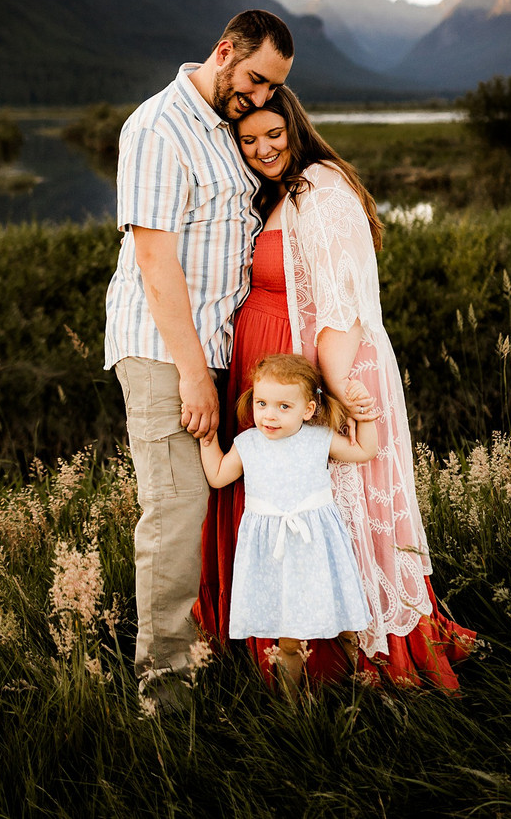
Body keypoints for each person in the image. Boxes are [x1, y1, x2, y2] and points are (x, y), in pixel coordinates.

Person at [196, 86, 475, 687]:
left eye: (274, 134)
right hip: (280, 369)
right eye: (248, 140)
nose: (263, 149)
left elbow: (341, 302)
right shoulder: (281, 192)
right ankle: (275, 639)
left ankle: (344, 653)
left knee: (328, 501)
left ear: (296, 128)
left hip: (320, 368)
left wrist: (337, 384)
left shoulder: (321, 190)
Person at [104, 9, 294, 713]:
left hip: (213, 352)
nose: (261, 97)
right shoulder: (158, 127)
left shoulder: (224, 129)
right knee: (176, 515)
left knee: (212, 512)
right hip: (164, 353)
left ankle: (216, 654)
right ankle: (165, 699)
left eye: (272, 89)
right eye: (256, 80)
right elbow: (155, 261)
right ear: (224, 51)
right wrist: (191, 374)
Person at [199, 353, 379, 695]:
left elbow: (364, 451)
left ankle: (358, 684)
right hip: (276, 554)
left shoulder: (317, 438)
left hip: (318, 546)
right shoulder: (248, 444)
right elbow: (219, 476)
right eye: (262, 403)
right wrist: (207, 438)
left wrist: (363, 414)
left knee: (346, 625)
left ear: (307, 410)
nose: (270, 414)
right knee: (289, 639)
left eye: (284, 406)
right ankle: (290, 706)